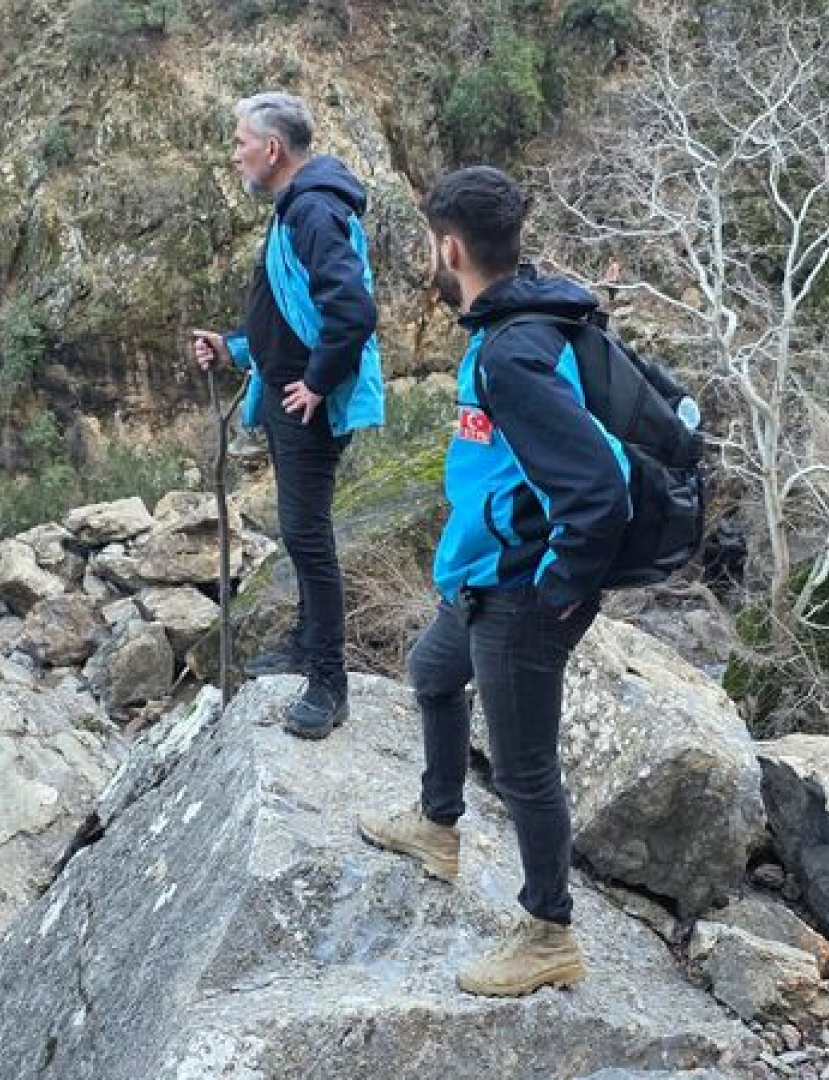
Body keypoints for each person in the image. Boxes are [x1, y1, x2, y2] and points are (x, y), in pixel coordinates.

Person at [354, 166, 632, 998]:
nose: (428, 261)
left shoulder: (513, 353)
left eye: (429, 246)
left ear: (450, 249)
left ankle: (549, 933)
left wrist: (559, 589)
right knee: (433, 672)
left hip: (519, 592)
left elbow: (598, 489)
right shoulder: (516, 323)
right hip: (481, 575)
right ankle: (437, 824)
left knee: (524, 771)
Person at [191, 91, 386, 739]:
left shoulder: (313, 211)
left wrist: (317, 383)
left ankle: (329, 685)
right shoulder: (294, 208)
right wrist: (233, 347)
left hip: (308, 406)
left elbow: (352, 311)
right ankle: (306, 644)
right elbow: (286, 312)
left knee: (307, 537)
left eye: (241, 142)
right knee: (301, 533)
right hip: (285, 395)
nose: (235, 154)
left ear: (272, 149)